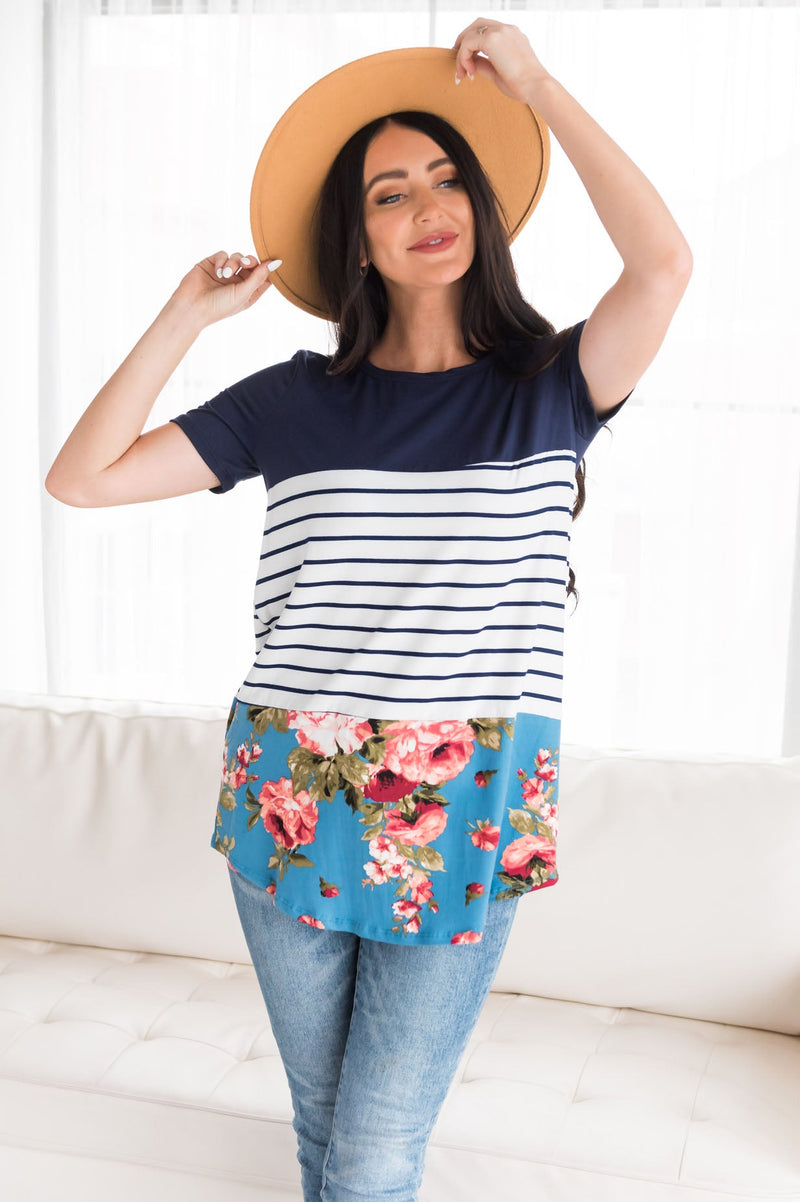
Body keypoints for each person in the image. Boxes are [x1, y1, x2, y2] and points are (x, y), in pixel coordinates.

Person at [45, 18, 692, 1201]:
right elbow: (81, 478)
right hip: (291, 782)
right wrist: (186, 315)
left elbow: (660, 265)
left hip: (467, 791)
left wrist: (537, 86)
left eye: (445, 178)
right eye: (388, 193)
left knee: (374, 1148)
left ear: (481, 207)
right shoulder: (292, 401)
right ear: (357, 239)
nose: (425, 205)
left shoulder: (550, 386)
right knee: (327, 1128)